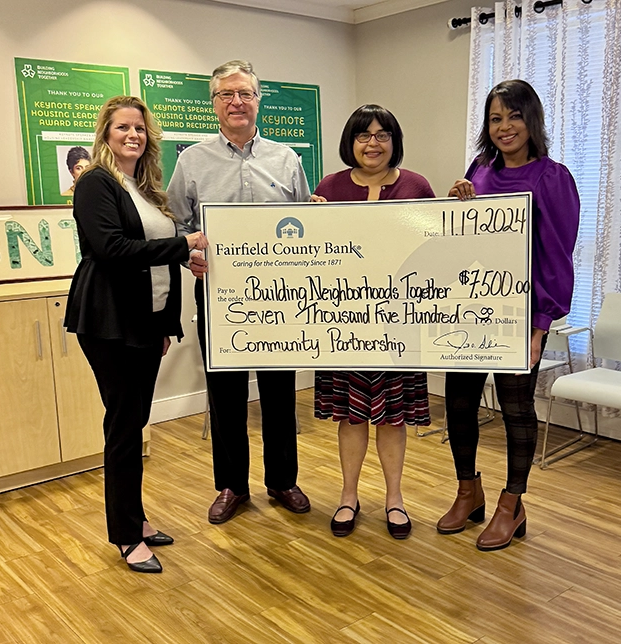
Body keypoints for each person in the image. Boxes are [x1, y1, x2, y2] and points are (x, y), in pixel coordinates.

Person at [65, 96, 208, 573]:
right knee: (125, 427)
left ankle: (136, 518)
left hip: (146, 324)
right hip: (109, 322)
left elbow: (157, 258)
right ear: (105, 133)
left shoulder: (144, 187)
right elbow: (114, 249)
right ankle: (127, 535)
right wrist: (184, 242)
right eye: (123, 127)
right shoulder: (96, 184)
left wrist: (167, 316)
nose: (133, 135)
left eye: (140, 129)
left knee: (132, 423)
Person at [168, 60, 312, 525]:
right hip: (218, 295)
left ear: (258, 100)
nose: (236, 102)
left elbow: (307, 226)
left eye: (245, 94)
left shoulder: (287, 159)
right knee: (226, 393)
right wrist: (188, 255)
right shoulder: (191, 161)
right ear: (214, 103)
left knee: (278, 393)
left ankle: (282, 480)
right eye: (226, 94)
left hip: (280, 300)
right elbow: (177, 225)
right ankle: (232, 485)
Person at [437, 80, 580, 551]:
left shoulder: (552, 177)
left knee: (517, 410)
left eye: (514, 117)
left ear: (531, 120)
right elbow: (463, 239)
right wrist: (458, 200)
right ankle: (467, 491)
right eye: (495, 119)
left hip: (519, 317)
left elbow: (558, 258)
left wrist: (541, 327)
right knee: (459, 404)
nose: (505, 127)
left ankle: (511, 504)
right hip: (468, 310)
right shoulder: (479, 170)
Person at [312, 104, 434, 539]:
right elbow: (311, 256)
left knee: (393, 416)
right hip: (343, 322)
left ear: (394, 141)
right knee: (351, 415)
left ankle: (395, 498)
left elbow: (436, 250)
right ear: (351, 142)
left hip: (399, 323)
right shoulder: (329, 187)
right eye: (364, 135)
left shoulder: (417, 186)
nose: (373, 143)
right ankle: (348, 495)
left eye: (383, 135)